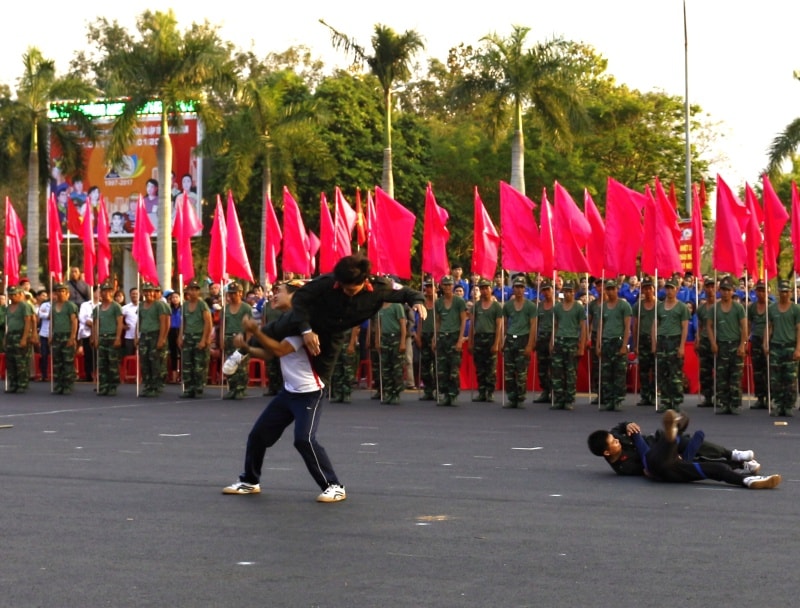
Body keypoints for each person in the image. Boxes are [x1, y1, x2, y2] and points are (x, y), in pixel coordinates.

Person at [223, 281, 346, 502]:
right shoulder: (284, 324)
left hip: (309, 392)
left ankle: (334, 485)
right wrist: (248, 348)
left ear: (295, 297)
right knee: (257, 436)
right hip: (289, 392)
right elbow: (271, 354)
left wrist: (254, 331)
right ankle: (250, 481)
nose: (273, 296)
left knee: (304, 440)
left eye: (278, 292)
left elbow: (280, 350)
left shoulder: (303, 324)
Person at [273, 255, 426, 388]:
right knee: (271, 333)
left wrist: (418, 301)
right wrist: (306, 329)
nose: (347, 292)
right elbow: (300, 298)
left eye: (352, 290)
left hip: (334, 335)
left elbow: (407, 292)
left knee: (319, 380)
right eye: (344, 288)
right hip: (308, 324)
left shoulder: (380, 287)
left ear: (364, 282)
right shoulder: (327, 282)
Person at [643, 411, 781, 489]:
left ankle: (748, 480)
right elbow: (642, 448)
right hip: (654, 461)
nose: (619, 443)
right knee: (690, 439)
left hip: (674, 466)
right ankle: (672, 434)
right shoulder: (633, 445)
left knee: (717, 468)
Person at [587, 416, 761, 478]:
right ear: (607, 452)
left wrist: (628, 424)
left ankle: (733, 454)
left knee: (687, 442)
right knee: (697, 462)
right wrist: (670, 460)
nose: (617, 440)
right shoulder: (624, 467)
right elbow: (648, 466)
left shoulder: (614, 435)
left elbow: (621, 425)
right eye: (614, 442)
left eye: (615, 438)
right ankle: (740, 466)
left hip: (658, 441)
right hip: (661, 459)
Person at [708, 277, 747, 414]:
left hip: (735, 344)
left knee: (735, 377)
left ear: (732, 291)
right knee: (722, 377)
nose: (725, 293)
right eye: (723, 290)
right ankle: (724, 403)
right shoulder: (715, 308)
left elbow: (744, 327)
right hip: (721, 345)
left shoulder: (738, 307)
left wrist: (742, 345)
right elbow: (709, 326)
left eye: (728, 290)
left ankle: (735, 404)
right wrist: (713, 343)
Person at [764, 280, 800, 417]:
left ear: (790, 292)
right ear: (778, 293)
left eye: (786, 291)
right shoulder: (772, 309)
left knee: (790, 379)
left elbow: (799, 330)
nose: (784, 294)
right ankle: (778, 405)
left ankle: (789, 405)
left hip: (790, 346)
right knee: (776, 379)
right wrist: (766, 343)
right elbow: (769, 327)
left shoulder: (796, 309)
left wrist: (798, 348)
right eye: (782, 291)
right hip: (776, 347)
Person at [653, 278, 689, 412]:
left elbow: (685, 327)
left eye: (672, 288)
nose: (669, 291)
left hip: (675, 341)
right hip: (662, 341)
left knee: (675, 374)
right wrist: (654, 343)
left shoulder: (682, 307)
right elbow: (655, 325)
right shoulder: (660, 306)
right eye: (667, 288)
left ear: (677, 290)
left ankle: (676, 402)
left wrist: (681, 346)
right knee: (663, 374)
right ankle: (665, 401)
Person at [596, 280, 632, 411]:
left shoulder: (624, 305)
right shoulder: (603, 307)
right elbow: (600, 326)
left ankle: (617, 400)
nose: (610, 292)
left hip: (618, 340)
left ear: (617, 289)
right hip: (606, 341)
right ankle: (609, 399)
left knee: (619, 373)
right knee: (606, 373)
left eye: (612, 289)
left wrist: (624, 345)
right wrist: (598, 345)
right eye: (608, 289)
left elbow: (628, 326)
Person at [550, 280, 586, 410]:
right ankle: (559, 399)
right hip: (559, 340)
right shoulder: (558, 307)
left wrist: (581, 345)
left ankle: (569, 400)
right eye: (565, 291)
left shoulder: (579, 307)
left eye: (570, 291)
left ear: (574, 292)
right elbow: (555, 326)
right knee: (557, 371)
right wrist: (552, 342)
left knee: (570, 372)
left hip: (572, 341)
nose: (567, 293)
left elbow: (583, 327)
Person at [502, 276, 536, 408]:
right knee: (509, 372)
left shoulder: (530, 306)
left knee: (521, 372)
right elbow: (504, 324)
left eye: (521, 287)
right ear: (513, 289)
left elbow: (533, 325)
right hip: (510, 339)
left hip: (524, 339)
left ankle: (520, 398)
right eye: (516, 287)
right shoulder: (508, 306)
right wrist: (503, 340)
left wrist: (530, 344)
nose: (519, 290)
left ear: (525, 289)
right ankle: (512, 398)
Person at [433, 275, 467, 406]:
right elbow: (438, 321)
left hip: (454, 336)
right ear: (441, 286)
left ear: (453, 286)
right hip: (442, 336)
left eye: (449, 285)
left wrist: (460, 339)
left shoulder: (459, 301)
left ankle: (453, 395)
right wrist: (434, 338)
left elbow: (463, 320)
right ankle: (445, 394)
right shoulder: (439, 302)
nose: (447, 287)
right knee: (442, 369)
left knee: (454, 368)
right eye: (445, 285)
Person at [469, 279, 502, 403]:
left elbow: (499, 326)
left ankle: (490, 392)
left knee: (491, 368)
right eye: (482, 288)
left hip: (491, 337)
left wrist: (496, 343)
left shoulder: (496, 306)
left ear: (491, 289)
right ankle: (481, 392)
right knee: (480, 367)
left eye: (486, 288)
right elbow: (472, 324)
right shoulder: (476, 306)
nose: (484, 290)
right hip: (479, 338)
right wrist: (471, 341)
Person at [178, 280, 212, 398]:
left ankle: (198, 387)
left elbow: (208, 322)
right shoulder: (185, 305)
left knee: (199, 364)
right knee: (187, 364)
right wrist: (180, 336)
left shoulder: (202, 304)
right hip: (188, 336)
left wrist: (204, 339)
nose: (193, 292)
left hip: (199, 335)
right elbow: (184, 322)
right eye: (191, 289)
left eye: (195, 289)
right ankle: (188, 388)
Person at [137, 283, 170, 397]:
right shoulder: (141, 305)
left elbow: (164, 323)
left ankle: (156, 386)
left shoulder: (159, 305)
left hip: (155, 335)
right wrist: (137, 335)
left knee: (155, 362)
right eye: (146, 291)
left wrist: (162, 339)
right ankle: (148, 385)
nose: (148, 293)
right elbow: (139, 321)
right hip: (144, 335)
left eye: (150, 291)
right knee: (145, 362)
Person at [220, 282, 252, 400]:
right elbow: (222, 325)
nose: (233, 296)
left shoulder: (246, 308)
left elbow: (249, 326)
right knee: (229, 364)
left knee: (241, 365)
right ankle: (232, 388)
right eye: (231, 293)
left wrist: (248, 342)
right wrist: (221, 339)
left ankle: (240, 389)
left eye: (235, 293)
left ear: (240, 293)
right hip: (229, 338)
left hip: (241, 337)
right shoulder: (225, 309)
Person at [372, 300, 407, 404]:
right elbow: (379, 325)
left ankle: (396, 393)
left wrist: (402, 341)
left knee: (396, 368)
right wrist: (377, 340)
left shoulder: (397, 306)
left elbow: (402, 325)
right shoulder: (380, 307)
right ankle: (388, 392)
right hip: (384, 338)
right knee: (385, 368)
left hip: (395, 337)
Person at [92, 282, 124, 396]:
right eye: (104, 291)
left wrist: (118, 338)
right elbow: (95, 324)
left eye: (109, 291)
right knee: (102, 363)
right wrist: (94, 338)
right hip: (102, 337)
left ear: (112, 292)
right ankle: (103, 385)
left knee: (112, 363)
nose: (106, 293)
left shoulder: (116, 306)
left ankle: (112, 386)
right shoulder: (97, 308)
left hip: (112, 336)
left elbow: (120, 323)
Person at [4, 286, 36, 393]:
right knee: (10, 361)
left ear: (20, 294)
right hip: (11, 335)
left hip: (20, 334)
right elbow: (8, 324)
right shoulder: (8, 307)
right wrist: (6, 337)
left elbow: (28, 322)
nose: (12, 297)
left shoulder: (24, 306)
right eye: (11, 295)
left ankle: (22, 384)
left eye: (15, 294)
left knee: (21, 361)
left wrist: (24, 337)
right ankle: (13, 384)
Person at [49, 283, 78, 394]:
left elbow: (74, 322)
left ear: (67, 294)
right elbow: (52, 321)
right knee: (57, 362)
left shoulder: (70, 306)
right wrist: (50, 335)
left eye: (62, 291)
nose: (60, 293)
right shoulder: (53, 306)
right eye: (58, 291)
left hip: (67, 335)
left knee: (67, 361)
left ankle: (67, 384)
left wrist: (72, 337)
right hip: (57, 336)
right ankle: (59, 384)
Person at [632, 277, 656, 406]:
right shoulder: (638, 306)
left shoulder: (659, 305)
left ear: (654, 289)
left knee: (656, 369)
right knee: (644, 370)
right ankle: (645, 396)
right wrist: (635, 344)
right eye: (645, 288)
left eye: (649, 288)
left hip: (655, 340)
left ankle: (653, 395)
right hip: (642, 340)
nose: (647, 291)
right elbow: (635, 326)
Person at [747, 280, 769, 409]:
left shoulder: (772, 307)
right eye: (759, 290)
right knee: (757, 370)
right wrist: (745, 341)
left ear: (768, 292)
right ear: (755, 292)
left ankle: (769, 397)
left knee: (769, 370)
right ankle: (760, 398)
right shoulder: (752, 308)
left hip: (768, 341)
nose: (761, 293)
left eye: (763, 290)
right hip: (755, 339)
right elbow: (748, 325)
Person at [695, 277, 717, 407]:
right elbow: (700, 325)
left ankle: (720, 397)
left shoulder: (720, 306)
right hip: (704, 341)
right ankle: (707, 397)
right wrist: (697, 339)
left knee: (720, 370)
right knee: (705, 371)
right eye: (708, 287)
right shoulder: (701, 308)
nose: (710, 290)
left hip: (718, 340)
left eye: (713, 287)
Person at [533, 281, 555, 403]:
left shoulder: (557, 305)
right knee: (542, 366)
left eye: (548, 289)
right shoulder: (540, 306)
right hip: (542, 338)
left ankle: (554, 392)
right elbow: (536, 323)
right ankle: (545, 391)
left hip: (553, 337)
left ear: (552, 290)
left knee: (554, 367)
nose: (546, 292)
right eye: (544, 290)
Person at [415, 279, 437, 401]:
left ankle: (438, 389)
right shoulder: (422, 304)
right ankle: (428, 390)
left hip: (435, 335)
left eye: (430, 286)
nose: (428, 289)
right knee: (425, 365)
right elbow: (420, 321)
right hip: (424, 335)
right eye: (426, 287)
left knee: (437, 364)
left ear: (435, 288)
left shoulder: (439, 304)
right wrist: (418, 335)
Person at [329, 327, 359, 403]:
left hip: (347, 342)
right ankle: (338, 394)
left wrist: (352, 344)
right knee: (337, 370)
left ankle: (347, 393)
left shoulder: (350, 315)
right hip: (337, 343)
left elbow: (355, 328)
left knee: (348, 370)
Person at [77, 286, 99, 382]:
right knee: (88, 355)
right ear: (93, 293)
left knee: (98, 355)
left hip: (99, 333)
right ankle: (88, 374)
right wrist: (91, 323)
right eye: (98, 292)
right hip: (87, 332)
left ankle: (97, 374)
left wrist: (96, 324)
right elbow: (82, 317)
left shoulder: (102, 305)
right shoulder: (85, 305)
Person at [36, 288, 51, 381]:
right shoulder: (45, 305)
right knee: (44, 354)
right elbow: (40, 314)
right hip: (44, 333)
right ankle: (44, 374)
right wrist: (48, 315)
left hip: (55, 333)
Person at [121, 287, 139, 357]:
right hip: (129, 336)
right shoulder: (125, 308)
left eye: (136, 294)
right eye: (133, 294)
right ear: (130, 295)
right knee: (129, 356)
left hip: (141, 336)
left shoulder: (143, 306)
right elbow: (117, 319)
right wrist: (123, 326)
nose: (134, 295)